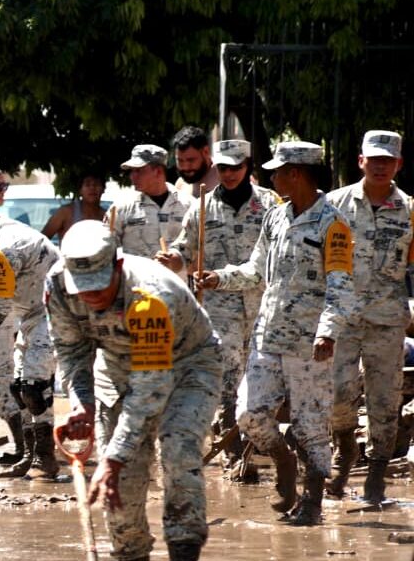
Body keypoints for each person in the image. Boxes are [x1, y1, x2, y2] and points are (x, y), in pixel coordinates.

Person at [51, 221, 221, 561]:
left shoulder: (151, 296)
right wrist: (81, 404)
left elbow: (150, 390)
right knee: (119, 487)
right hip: (116, 369)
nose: (91, 296)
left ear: (117, 265)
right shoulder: (57, 286)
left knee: (178, 452)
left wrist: (113, 457)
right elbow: (71, 352)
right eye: (83, 287)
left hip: (188, 365)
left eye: (99, 286)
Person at [197, 141, 358, 526]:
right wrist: (219, 278)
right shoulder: (274, 217)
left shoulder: (332, 223)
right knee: (248, 413)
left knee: (310, 424)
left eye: (278, 172)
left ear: (296, 173)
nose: (271, 178)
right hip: (267, 336)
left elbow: (341, 285)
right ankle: (284, 463)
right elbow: (256, 270)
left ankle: (312, 502)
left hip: (309, 344)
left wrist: (328, 332)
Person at [158, 140, 279, 475]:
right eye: (223, 168)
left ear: (247, 166)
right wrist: (174, 258)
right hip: (219, 306)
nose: (229, 174)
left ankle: (256, 442)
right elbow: (184, 248)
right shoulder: (203, 206)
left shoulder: (270, 204)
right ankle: (233, 451)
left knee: (258, 380)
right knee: (227, 377)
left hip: (261, 303)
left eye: (235, 167)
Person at [325, 130, 411, 504]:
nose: (380, 166)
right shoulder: (333, 205)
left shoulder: (410, 210)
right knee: (337, 394)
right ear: (361, 161)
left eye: (387, 160)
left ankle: (376, 474)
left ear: (398, 164)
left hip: (387, 320)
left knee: (385, 401)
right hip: (342, 318)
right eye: (374, 159)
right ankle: (344, 447)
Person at [0, 169, 63, 477]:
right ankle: (29, 456)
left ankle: (45, 458)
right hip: (30, 314)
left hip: (54, 312)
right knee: (19, 387)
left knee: (34, 385)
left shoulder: (4, 249)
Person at [106, 145, 191, 267]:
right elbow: (107, 248)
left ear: (158, 171)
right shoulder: (121, 208)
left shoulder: (188, 205)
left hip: (175, 278)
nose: (132, 176)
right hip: (136, 278)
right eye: (132, 171)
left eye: (138, 171)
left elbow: (198, 248)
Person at [43, 174, 106, 241]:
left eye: (96, 184)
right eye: (87, 185)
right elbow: (42, 240)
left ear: (103, 190)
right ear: (80, 190)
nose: (92, 188)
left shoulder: (107, 217)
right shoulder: (65, 213)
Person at [172, 126, 220, 199]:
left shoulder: (224, 177)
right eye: (180, 160)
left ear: (206, 152)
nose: (186, 167)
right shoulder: (180, 185)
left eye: (191, 160)